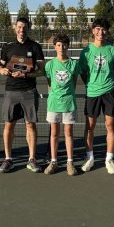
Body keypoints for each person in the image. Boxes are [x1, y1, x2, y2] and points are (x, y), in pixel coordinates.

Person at [0, 17, 45, 173]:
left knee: (30, 124)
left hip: (29, 91)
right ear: (15, 28)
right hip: (11, 91)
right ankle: (8, 159)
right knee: (9, 124)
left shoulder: (35, 47)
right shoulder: (8, 47)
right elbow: (0, 66)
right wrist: (2, 70)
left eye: (24, 27)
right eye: (19, 27)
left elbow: (41, 71)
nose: (21, 30)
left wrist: (25, 75)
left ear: (28, 28)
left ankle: (32, 159)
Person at [79, 18, 114, 174]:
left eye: (103, 29)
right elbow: (84, 74)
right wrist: (92, 85)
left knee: (110, 126)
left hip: (109, 93)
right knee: (89, 127)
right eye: (97, 29)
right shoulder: (86, 52)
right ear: (93, 31)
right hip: (92, 94)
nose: (100, 32)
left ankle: (109, 159)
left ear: (107, 31)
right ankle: (89, 157)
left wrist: (107, 84)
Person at [44, 33, 82, 176]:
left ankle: (70, 162)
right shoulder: (50, 65)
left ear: (68, 46)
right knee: (54, 133)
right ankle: (53, 161)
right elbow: (49, 83)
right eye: (58, 45)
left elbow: (74, 82)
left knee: (68, 133)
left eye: (64, 45)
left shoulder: (73, 64)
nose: (61, 47)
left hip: (68, 103)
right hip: (54, 103)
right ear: (54, 47)